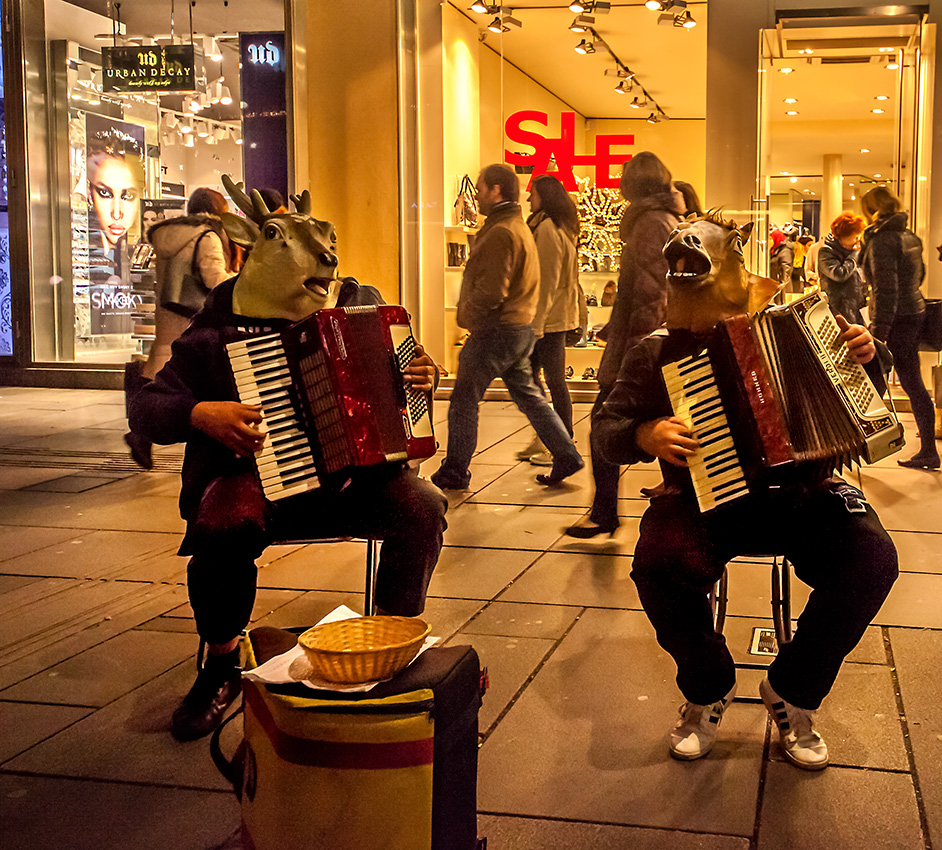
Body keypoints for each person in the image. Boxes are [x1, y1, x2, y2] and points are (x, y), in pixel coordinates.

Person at [128, 197, 447, 741]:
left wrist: (423, 375)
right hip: (252, 479)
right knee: (223, 524)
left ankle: (390, 645)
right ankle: (221, 661)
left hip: (352, 480)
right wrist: (201, 413)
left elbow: (409, 371)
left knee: (422, 507)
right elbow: (148, 408)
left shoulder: (359, 305)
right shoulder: (217, 326)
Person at [593, 257, 898, 770]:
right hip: (702, 500)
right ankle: (708, 687)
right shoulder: (655, 351)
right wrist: (645, 433)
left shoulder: (800, 327)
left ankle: (793, 692)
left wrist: (870, 354)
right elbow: (608, 428)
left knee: (871, 558)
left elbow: (863, 386)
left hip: (803, 491)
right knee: (659, 567)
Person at [431, 164, 584, 490]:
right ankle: (565, 452)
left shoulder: (503, 232)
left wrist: (468, 316)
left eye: (482, 188)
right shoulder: (520, 227)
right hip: (518, 327)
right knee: (530, 395)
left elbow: (492, 290)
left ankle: (455, 470)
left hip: (496, 329)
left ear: (496, 191)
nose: (477, 195)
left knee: (463, 399)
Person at [565, 152, 683, 538]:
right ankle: (663, 495)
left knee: (606, 423)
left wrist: (635, 356)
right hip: (639, 342)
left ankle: (604, 512)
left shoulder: (649, 223)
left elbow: (651, 297)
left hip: (637, 350)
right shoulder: (663, 219)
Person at [124, 188, 241, 469]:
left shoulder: (168, 235)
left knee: (164, 372)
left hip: (168, 313)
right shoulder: (207, 236)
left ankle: (142, 433)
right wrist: (241, 282)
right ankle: (156, 433)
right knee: (196, 378)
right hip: (193, 315)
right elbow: (216, 279)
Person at [859, 185, 940, 470]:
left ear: (872, 210)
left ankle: (853, 444)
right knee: (912, 383)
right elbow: (918, 276)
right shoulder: (909, 236)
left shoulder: (883, 240)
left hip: (894, 319)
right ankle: (928, 449)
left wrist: (878, 330)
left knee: (871, 382)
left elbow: (885, 289)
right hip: (913, 313)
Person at [518, 173, 582, 466]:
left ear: (544, 197)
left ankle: (559, 440)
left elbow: (546, 280)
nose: (529, 199)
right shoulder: (561, 227)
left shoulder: (546, 229)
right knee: (544, 380)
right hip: (556, 318)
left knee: (542, 381)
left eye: (533, 194)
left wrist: (537, 324)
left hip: (549, 321)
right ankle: (552, 436)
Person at [818, 213, 866, 324]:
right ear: (843, 236)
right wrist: (855, 254)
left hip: (856, 308)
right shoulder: (826, 251)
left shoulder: (850, 252)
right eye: (855, 237)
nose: (857, 241)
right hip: (838, 310)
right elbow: (839, 274)